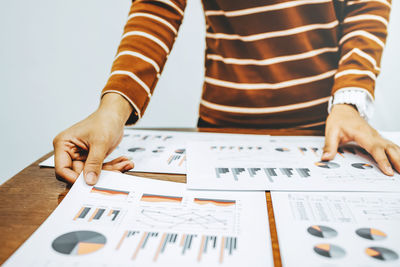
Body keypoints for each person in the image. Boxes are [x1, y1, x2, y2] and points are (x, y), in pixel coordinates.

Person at [53, 0, 400, 185]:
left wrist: (350, 101)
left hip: (326, 131)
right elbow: (158, 7)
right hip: (221, 132)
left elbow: (366, 6)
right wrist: (113, 110)